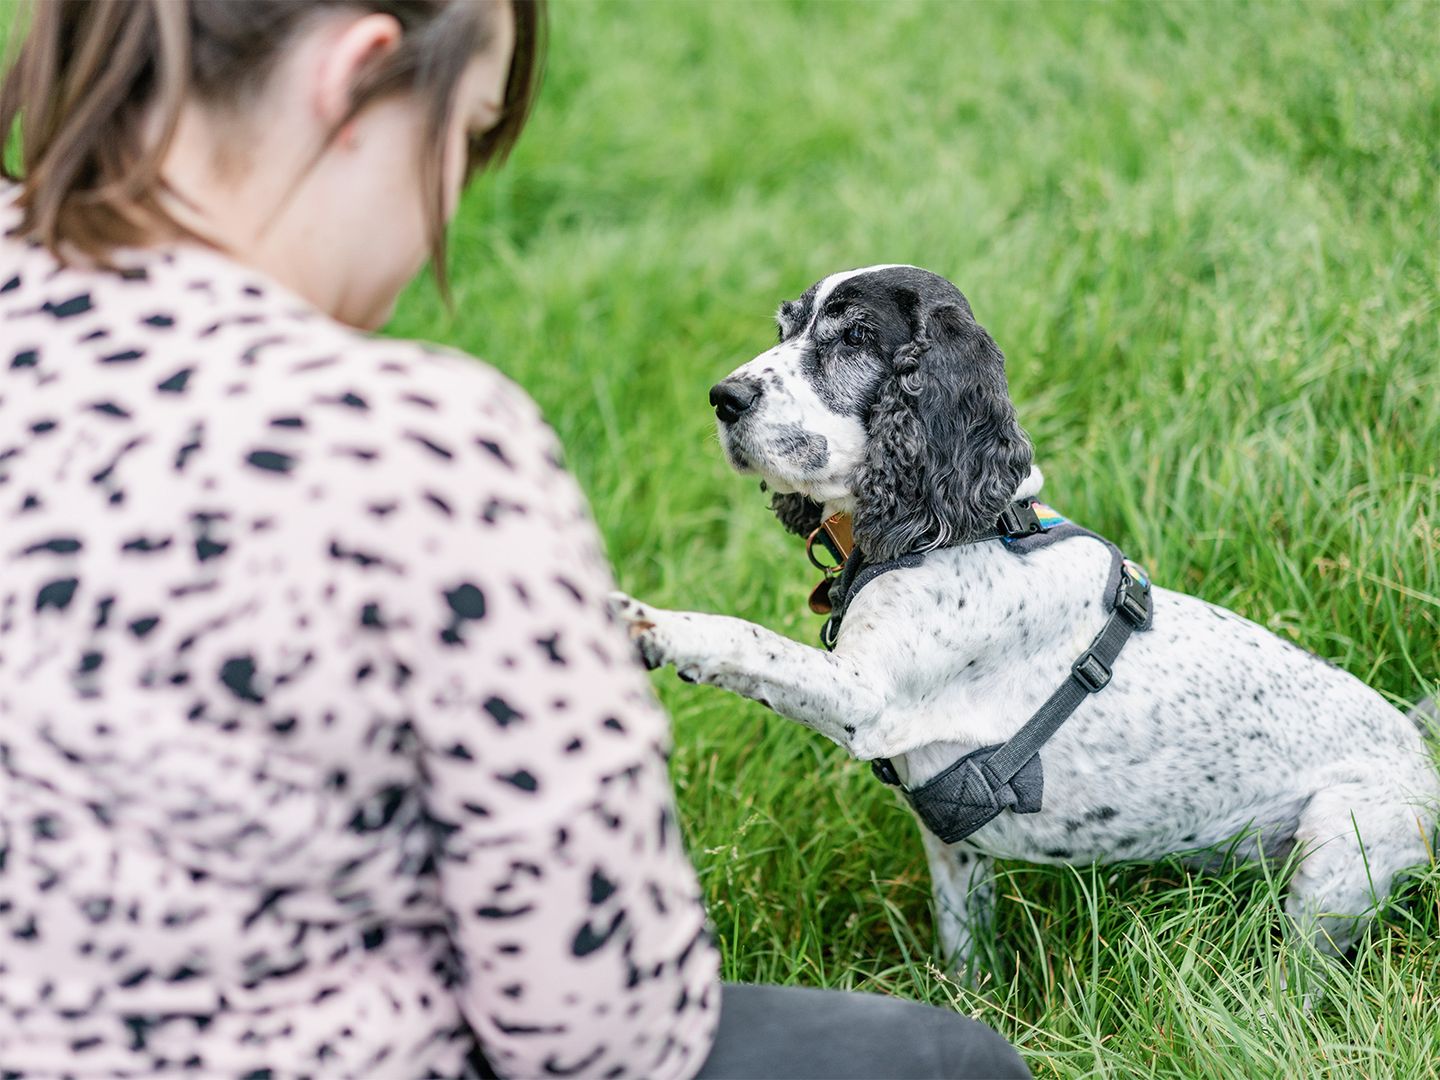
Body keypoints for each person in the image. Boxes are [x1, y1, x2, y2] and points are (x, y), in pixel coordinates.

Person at [0, 2, 1029, 1077]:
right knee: (948, 1062)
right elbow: (603, 1028)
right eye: (469, 134)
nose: (450, 197)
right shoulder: (415, 447)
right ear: (357, 79)